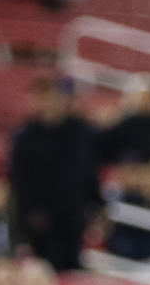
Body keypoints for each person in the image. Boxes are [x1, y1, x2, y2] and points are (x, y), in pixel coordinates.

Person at [9, 76, 99, 272]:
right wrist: (29, 209)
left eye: (56, 98)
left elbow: (89, 170)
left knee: (71, 265)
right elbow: (18, 177)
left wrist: (96, 205)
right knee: (45, 266)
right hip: (40, 219)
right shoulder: (25, 136)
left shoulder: (80, 132)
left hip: (74, 213)